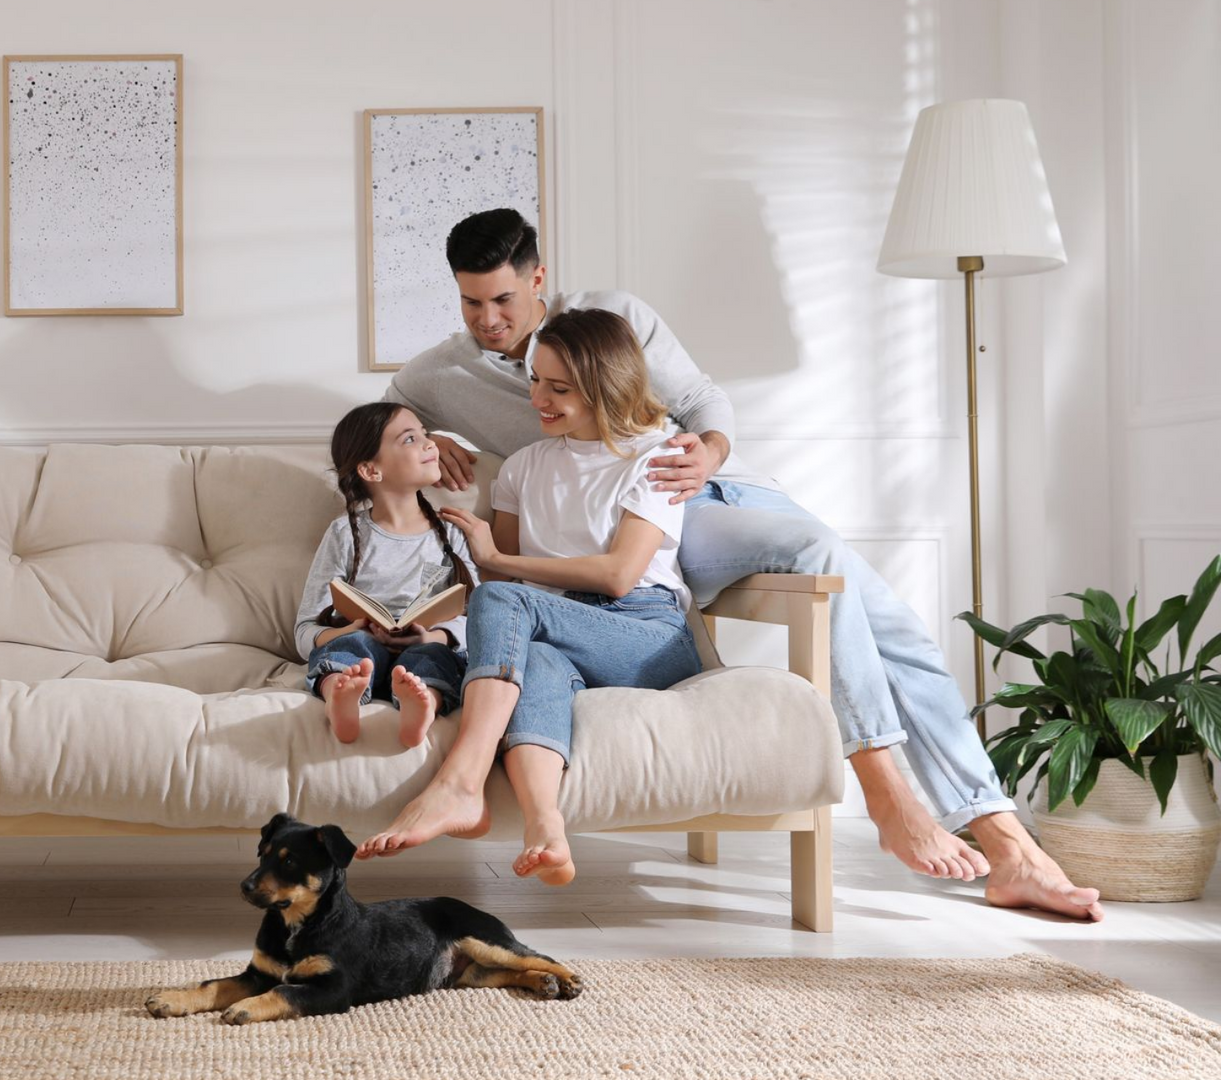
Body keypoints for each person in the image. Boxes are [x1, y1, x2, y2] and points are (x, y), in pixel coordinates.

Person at [364, 207, 1104, 921]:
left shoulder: (612, 317)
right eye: (470, 304)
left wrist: (705, 455)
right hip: (629, 531)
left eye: (502, 298)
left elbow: (702, 401)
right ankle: (962, 829)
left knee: (884, 620)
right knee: (840, 584)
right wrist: (428, 433)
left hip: (700, 495)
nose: (489, 319)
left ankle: (961, 823)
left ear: (537, 278)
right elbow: (387, 411)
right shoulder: (447, 374)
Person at [378, 308, 703, 886]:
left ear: (606, 386)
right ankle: (546, 827)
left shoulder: (658, 457)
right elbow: (501, 593)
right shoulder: (524, 468)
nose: (538, 400)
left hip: (645, 634)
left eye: (559, 388)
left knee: (512, 606)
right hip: (558, 630)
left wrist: (496, 562)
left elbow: (620, 574)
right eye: (535, 381)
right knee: (540, 660)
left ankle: (459, 783)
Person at [295, 403, 478, 748]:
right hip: (363, 649)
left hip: (425, 647)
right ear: (371, 470)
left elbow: (481, 621)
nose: (430, 444)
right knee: (352, 646)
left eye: (425, 433)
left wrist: (433, 638)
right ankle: (341, 695)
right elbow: (304, 631)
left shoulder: (450, 533)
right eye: (411, 438)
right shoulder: (344, 534)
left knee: (434, 660)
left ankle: (423, 706)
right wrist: (350, 629)